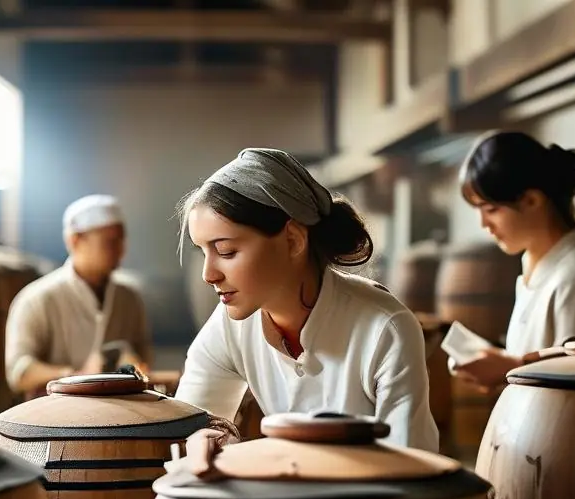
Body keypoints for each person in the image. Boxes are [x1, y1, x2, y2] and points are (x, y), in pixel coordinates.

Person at [174, 148, 440, 459]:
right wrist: (208, 439)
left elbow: (411, 466)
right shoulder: (228, 326)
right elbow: (194, 423)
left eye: (227, 251)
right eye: (202, 252)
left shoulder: (385, 327)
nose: (209, 274)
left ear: (293, 240)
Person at [451, 131, 575, 391]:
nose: (484, 224)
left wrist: (509, 367)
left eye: (491, 209)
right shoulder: (538, 261)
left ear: (532, 200)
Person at [5, 194, 153, 397]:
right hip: (54, 419)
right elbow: (19, 372)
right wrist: (74, 376)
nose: (120, 249)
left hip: (119, 416)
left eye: (121, 240)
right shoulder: (37, 299)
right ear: (75, 241)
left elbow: (144, 360)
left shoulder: (129, 298)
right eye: (110, 241)